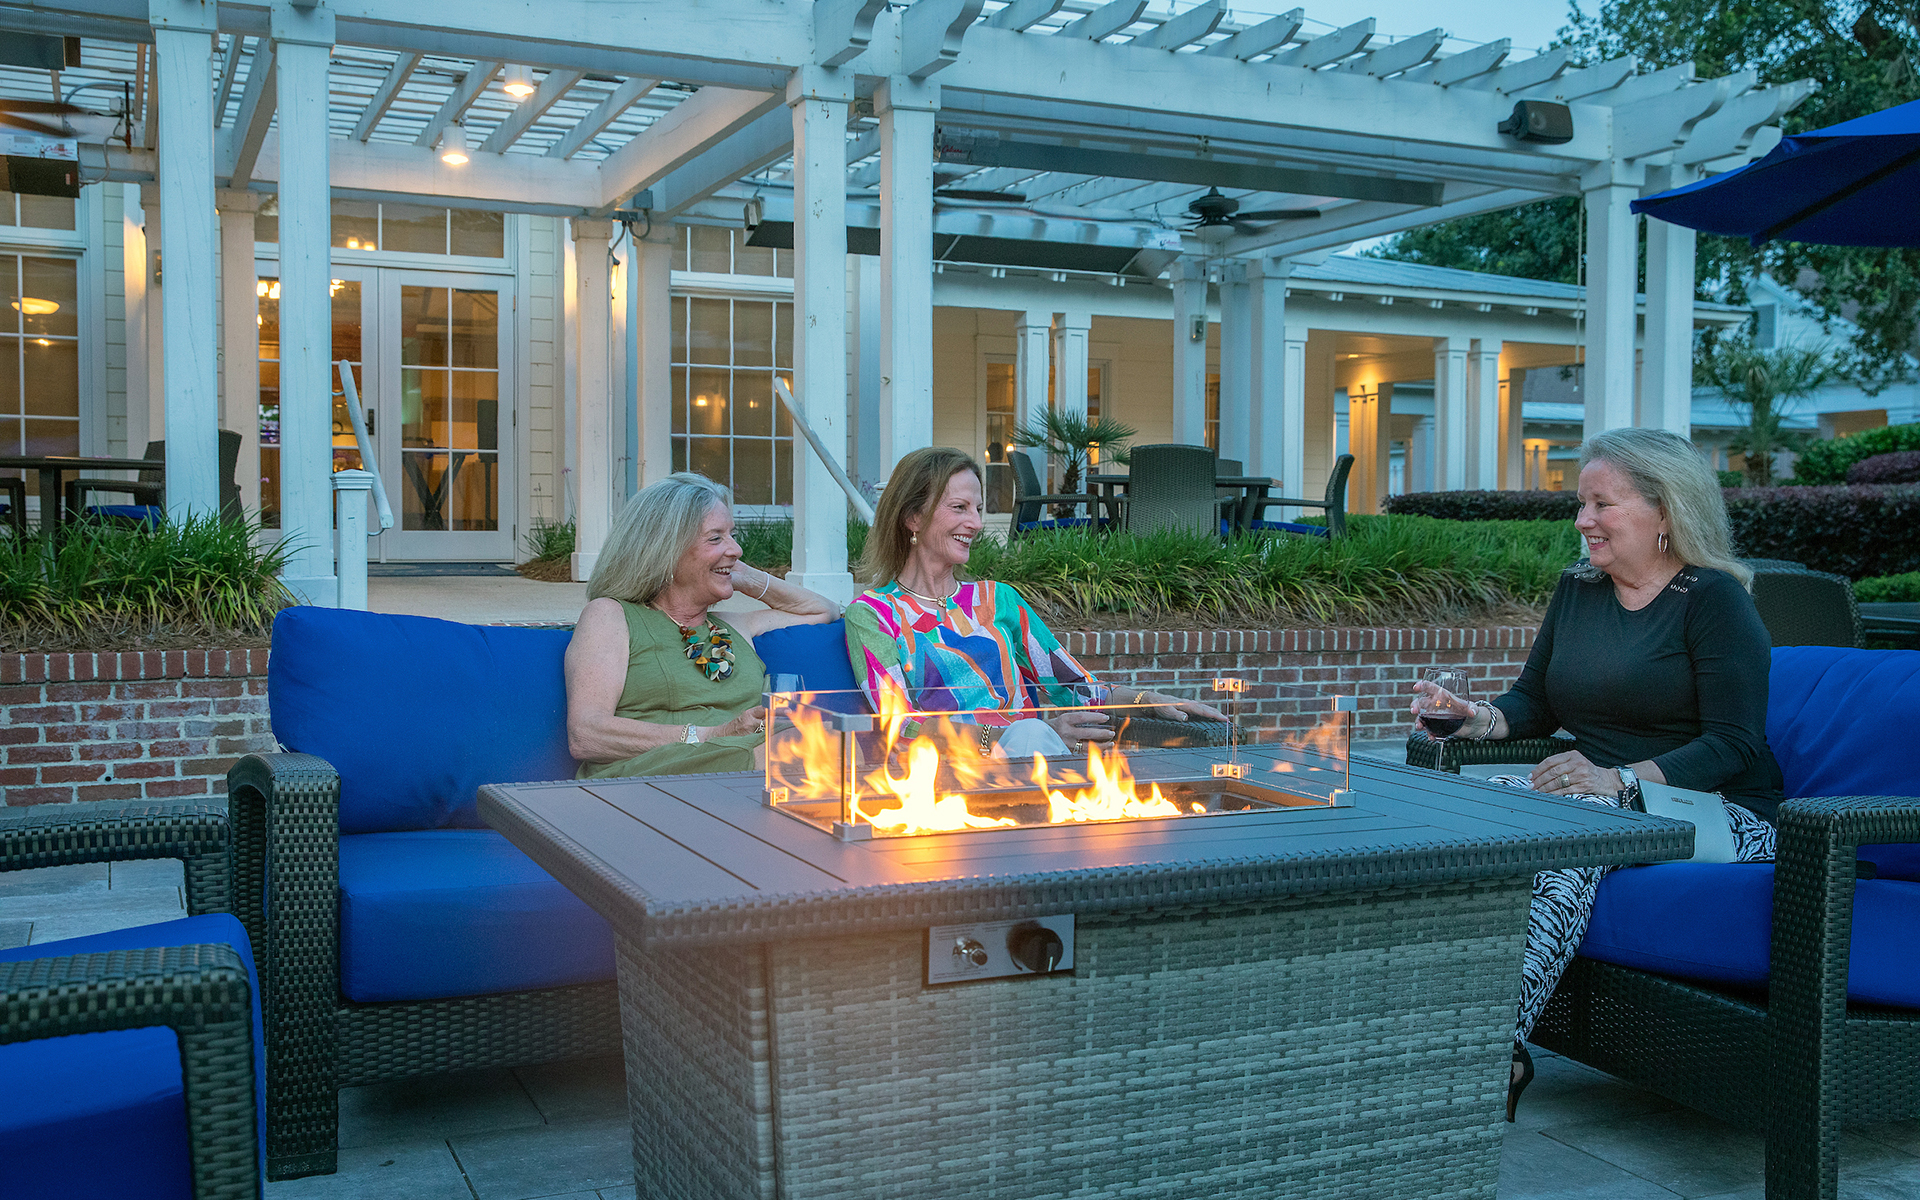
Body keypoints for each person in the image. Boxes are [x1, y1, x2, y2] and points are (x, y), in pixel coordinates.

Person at [1409, 426, 1783, 1121]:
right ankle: (1423, 1019)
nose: (1583, 521)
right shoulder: (1579, 589)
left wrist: (1620, 779)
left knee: (1567, 830)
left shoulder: (1713, 600)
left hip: (1722, 812)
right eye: (1581, 504)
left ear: (1665, 510)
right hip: (1604, 799)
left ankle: (1495, 1050)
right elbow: (1535, 701)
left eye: (1602, 504)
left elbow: (1734, 744)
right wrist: (1472, 718)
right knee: (1461, 810)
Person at [845, 446, 1222, 755]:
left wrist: (1148, 700)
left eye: (978, 509)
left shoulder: (998, 600)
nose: (976, 523)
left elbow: (1075, 686)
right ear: (913, 517)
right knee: (1031, 735)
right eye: (959, 508)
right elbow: (900, 725)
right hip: (945, 779)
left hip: (1032, 762)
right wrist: (1005, 739)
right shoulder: (874, 615)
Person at [566, 472, 838, 778]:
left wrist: (744, 576)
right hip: (652, 775)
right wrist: (712, 734)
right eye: (716, 537)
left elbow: (823, 610)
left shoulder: (735, 625)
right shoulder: (610, 616)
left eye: (732, 535)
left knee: (835, 741)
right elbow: (586, 734)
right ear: (665, 550)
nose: (736, 549)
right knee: (800, 753)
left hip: (751, 765)